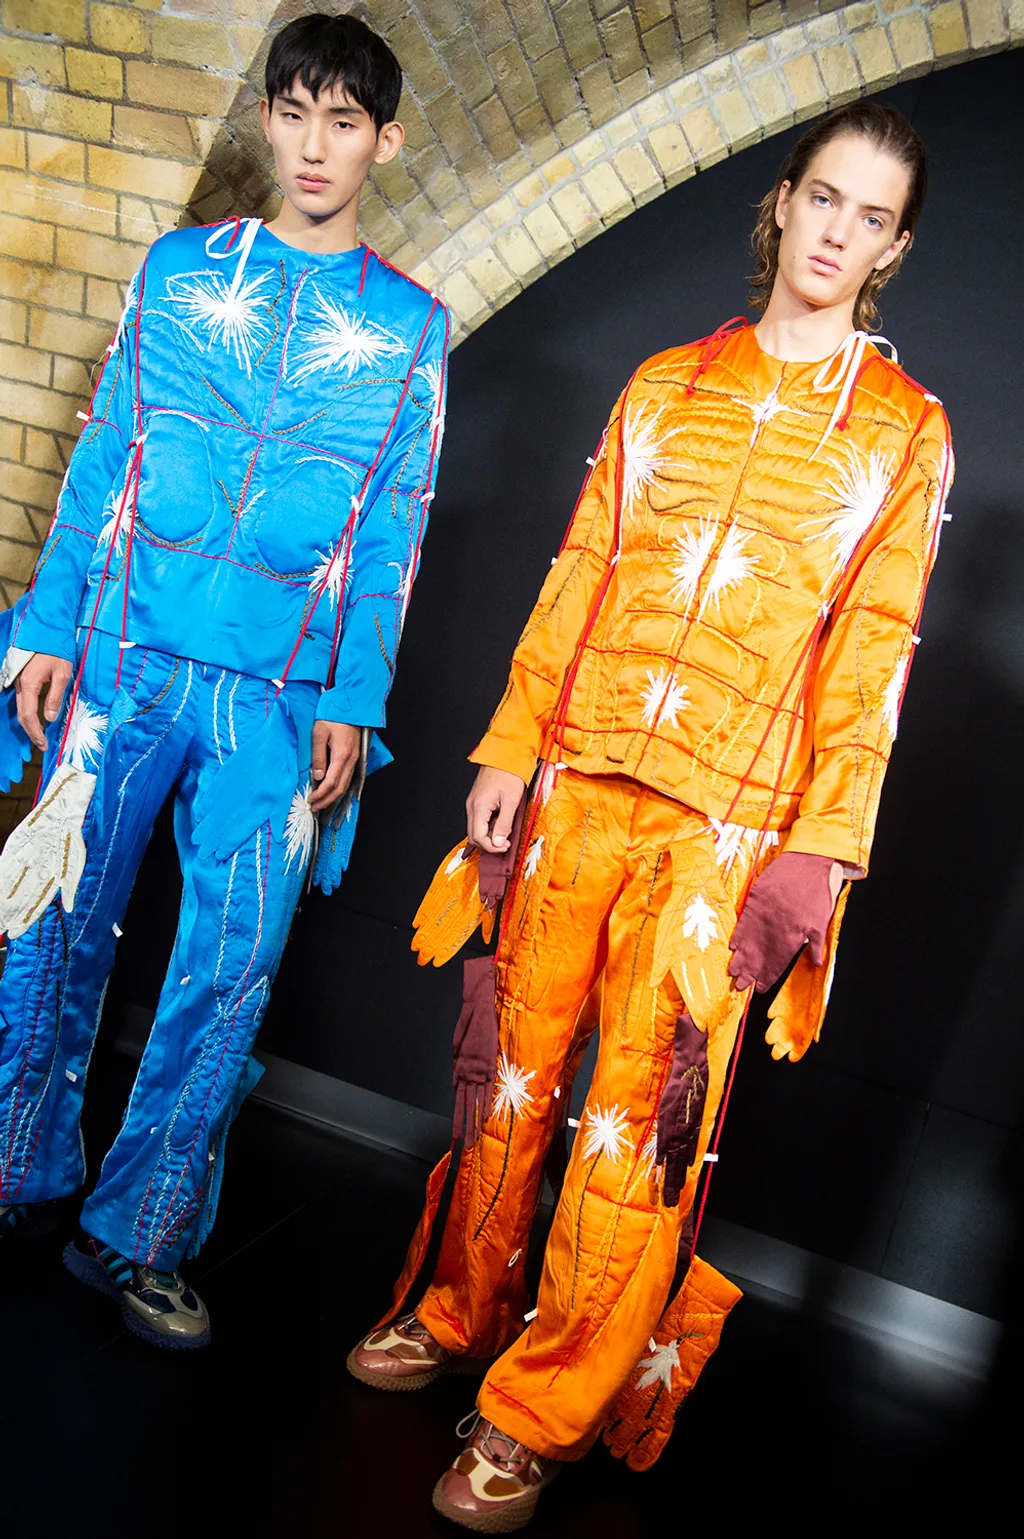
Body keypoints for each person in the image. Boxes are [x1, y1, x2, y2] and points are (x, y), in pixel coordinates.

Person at [348, 102, 953, 1531]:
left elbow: (875, 653)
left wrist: (823, 855)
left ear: (892, 249)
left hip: (726, 831)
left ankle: (541, 1409)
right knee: (508, 1072)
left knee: (636, 1125)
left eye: (871, 218)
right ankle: (459, 1306)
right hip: (576, 784)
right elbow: (581, 569)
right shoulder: (665, 383)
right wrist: (510, 744)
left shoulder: (906, 433)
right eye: (823, 198)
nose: (837, 232)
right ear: (783, 200)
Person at [0, 11, 448, 1350]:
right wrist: (49, 621)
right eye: (294, 114)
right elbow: (107, 447)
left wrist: (353, 700)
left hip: (275, 701)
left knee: (230, 966)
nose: (314, 146)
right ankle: (16, 1169)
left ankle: (138, 1234)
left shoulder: (412, 328)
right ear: (265, 119)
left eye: (343, 122)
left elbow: (395, 532)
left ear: (384, 141)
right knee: (53, 920)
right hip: (123, 655)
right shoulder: (179, 268)